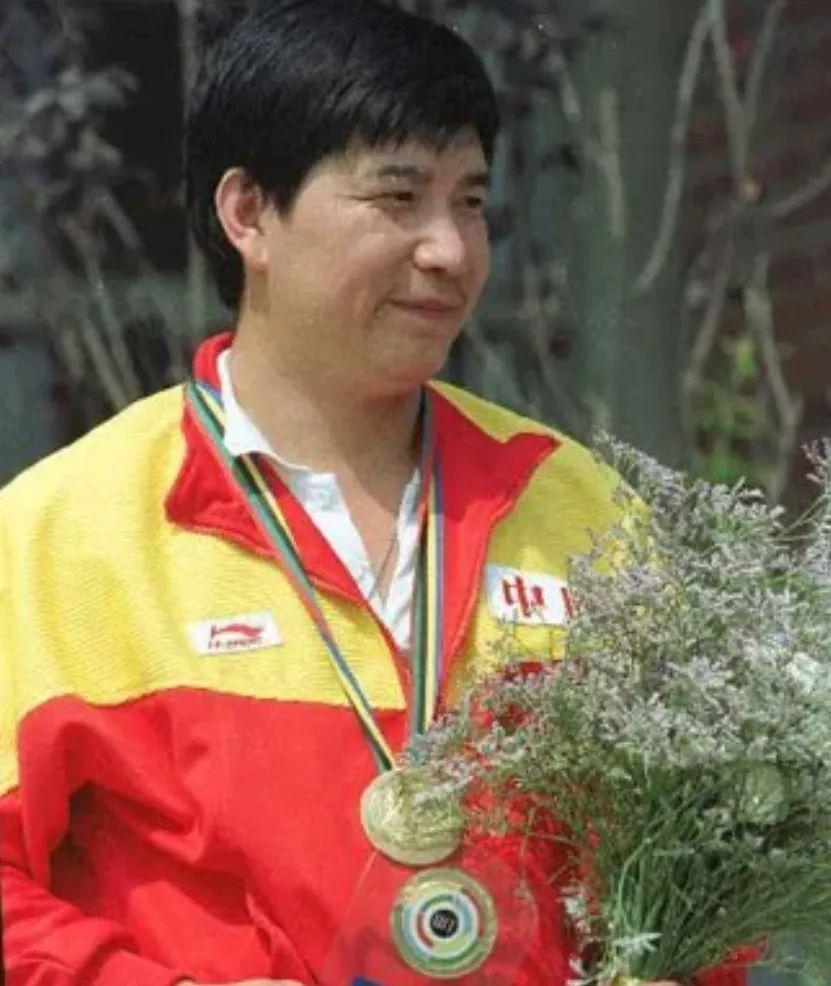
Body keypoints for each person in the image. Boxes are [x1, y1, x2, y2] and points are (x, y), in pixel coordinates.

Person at [0, 2, 754, 984]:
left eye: (471, 203)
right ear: (247, 213)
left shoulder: (580, 510)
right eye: (398, 198)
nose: (449, 250)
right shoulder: (62, 532)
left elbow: (707, 888)